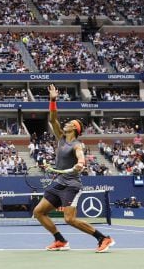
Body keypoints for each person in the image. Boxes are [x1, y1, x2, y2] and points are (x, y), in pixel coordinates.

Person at [32, 84, 115, 253]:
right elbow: (52, 119)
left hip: (71, 185)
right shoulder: (61, 139)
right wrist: (53, 100)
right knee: (39, 212)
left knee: (69, 219)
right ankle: (60, 240)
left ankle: (103, 238)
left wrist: (80, 163)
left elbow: (80, 156)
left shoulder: (77, 144)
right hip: (58, 183)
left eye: (70, 123)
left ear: (75, 129)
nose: (66, 123)